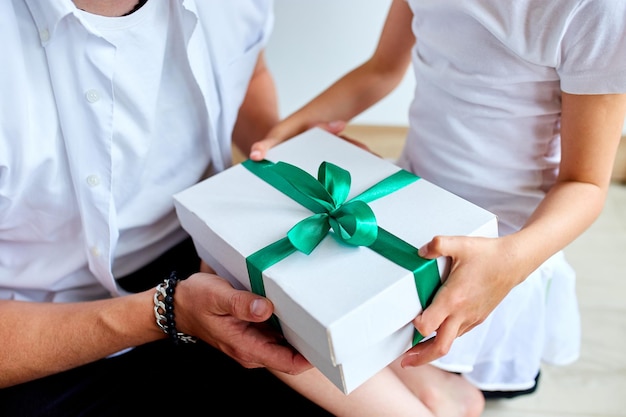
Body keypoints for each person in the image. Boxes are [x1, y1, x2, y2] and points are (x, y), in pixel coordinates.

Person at [249, 0, 626, 415]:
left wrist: (510, 262)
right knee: (260, 297)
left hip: (499, 249)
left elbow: (585, 183)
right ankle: (434, 388)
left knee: (286, 325)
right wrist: (294, 126)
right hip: (408, 206)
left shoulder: (596, 10)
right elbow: (380, 69)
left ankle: (444, 389)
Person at [0, 1, 343, 415]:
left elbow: (248, 74)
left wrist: (284, 158)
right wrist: (163, 311)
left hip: (208, 256)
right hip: (34, 329)